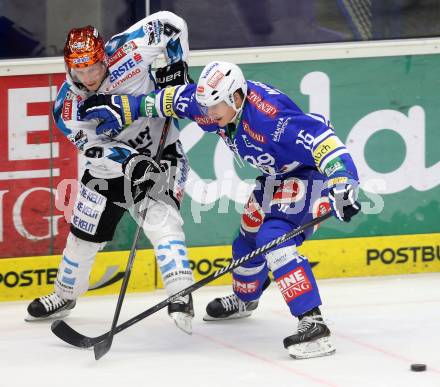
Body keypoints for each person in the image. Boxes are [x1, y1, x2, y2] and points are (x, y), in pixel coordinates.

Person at [78, 61, 361, 358]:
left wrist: (342, 182)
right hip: (276, 176)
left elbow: (323, 141)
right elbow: (169, 100)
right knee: (247, 237)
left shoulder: (271, 119)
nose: (209, 114)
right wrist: (125, 107)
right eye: (206, 106)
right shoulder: (209, 103)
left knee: (273, 236)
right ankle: (245, 299)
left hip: (308, 175)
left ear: (237, 98)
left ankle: (313, 322)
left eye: (215, 107)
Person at [25, 11, 197, 335]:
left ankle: (180, 293)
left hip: (162, 150)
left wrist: (175, 66)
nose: (89, 77)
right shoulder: (67, 107)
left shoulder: (128, 50)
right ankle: (64, 295)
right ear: (69, 66)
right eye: (80, 69)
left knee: (163, 222)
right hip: (111, 166)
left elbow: (172, 25)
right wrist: (132, 163)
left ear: (104, 58)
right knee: (83, 236)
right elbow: (94, 149)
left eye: (94, 67)